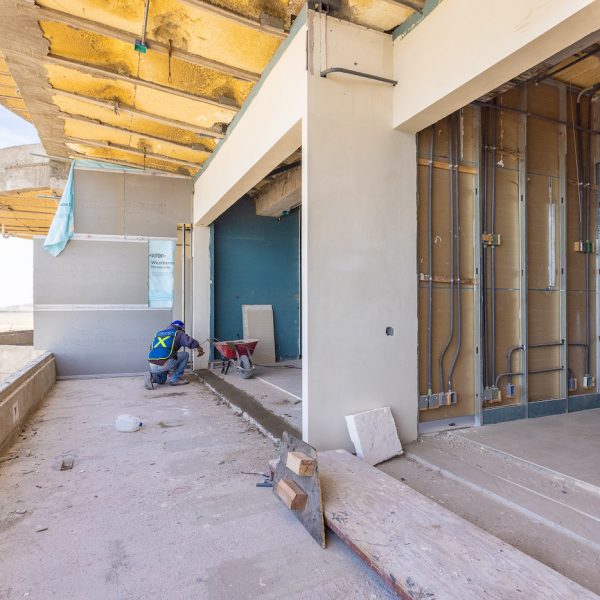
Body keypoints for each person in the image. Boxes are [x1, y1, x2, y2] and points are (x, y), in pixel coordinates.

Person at [144, 320, 204, 389]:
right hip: (165, 363)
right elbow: (189, 342)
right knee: (185, 355)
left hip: (152, 364)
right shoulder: (177, 333)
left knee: (162, 379)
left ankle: (152, 377)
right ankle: (175, 379)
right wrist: (198, 346)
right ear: (181, 328)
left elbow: (151, 348)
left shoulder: (158, 334)